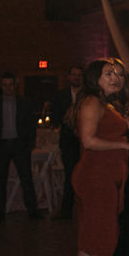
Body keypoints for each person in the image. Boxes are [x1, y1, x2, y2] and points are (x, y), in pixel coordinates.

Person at [69, 58, 129, 256]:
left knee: (89, 241)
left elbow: (127, 142)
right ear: (94, 77)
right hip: (96, 180)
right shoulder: (91, 102)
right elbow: (88, 140)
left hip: (105, 179)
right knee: (100, 240)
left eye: (119, 74)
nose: (116, 78)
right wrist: (123, 146)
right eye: (109, 73)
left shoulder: (108, 105)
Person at [0, 72, 40, 221]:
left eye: (10, 85)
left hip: (19, 145)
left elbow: (30, 126)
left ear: (15, 85)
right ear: (1, 86)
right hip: (1, 145)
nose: (8, 88)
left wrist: (29, 144)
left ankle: (33, 211)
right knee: (0, 180)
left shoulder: (24, 103)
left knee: (26, 178)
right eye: (5, 85)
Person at [49, 65, 84, 219]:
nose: (76, 78)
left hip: (85, 140)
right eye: (74, 75)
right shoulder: (61, 96)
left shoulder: (87, 95)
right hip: (69, 140)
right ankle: (67, 209)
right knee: (70, 174)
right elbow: (55, 117)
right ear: (68, 77)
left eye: (79, 75)